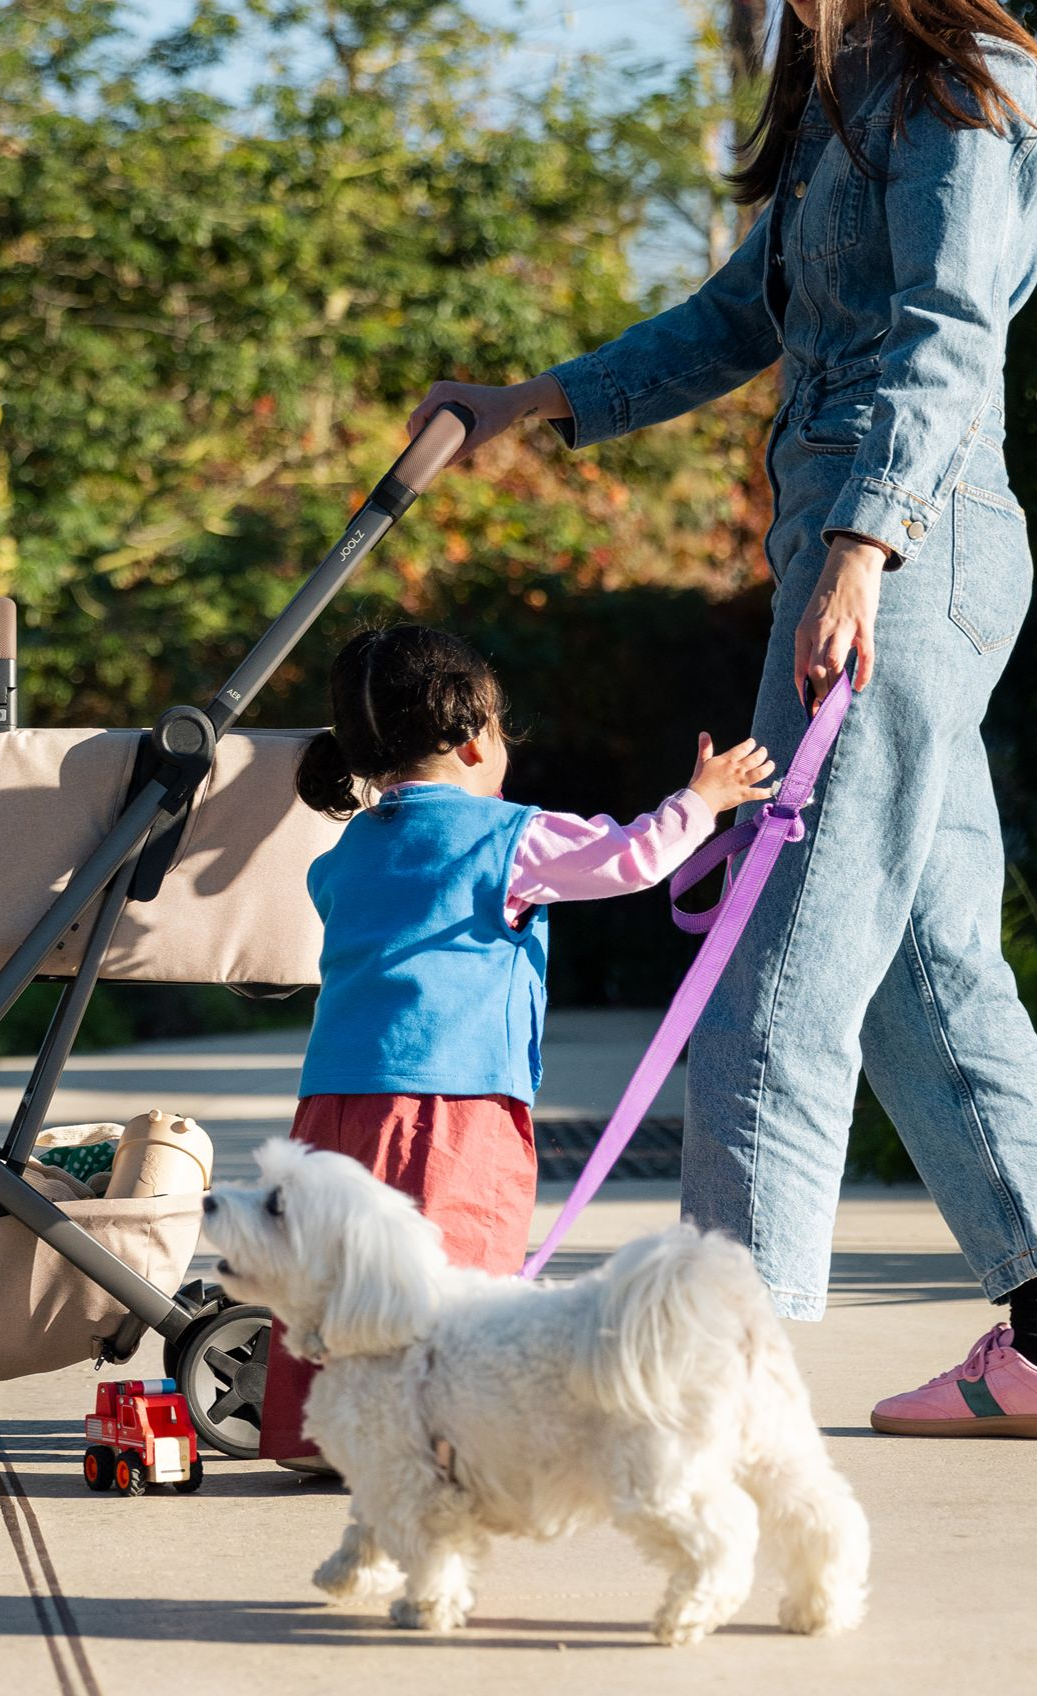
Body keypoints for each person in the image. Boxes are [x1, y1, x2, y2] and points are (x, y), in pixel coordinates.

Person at [407, 0, 1037, 1442]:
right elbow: (748, 313)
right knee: (925, 957)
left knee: (778, 950)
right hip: (863, 551)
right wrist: (537, 400)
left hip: (908, 546)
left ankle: (712, 1377)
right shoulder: (846, 97)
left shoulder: (965, 89)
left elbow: (947, 334)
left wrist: (863, 551)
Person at [260, 623, 776, 1471]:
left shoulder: (346, 853)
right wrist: (702, 799)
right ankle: (445, 1431)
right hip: (452, 1100)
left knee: (336, 1265)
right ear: (472, 740)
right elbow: (631, 858)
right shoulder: (508, 837)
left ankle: (325, 1429)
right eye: (502, 730)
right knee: (455, 1269)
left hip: (334, 1102)